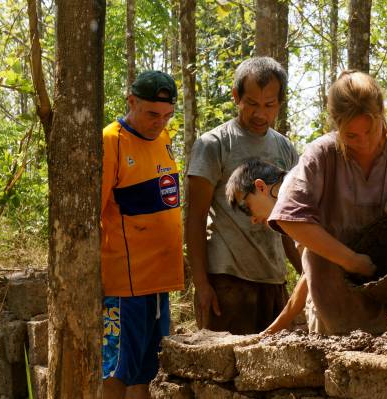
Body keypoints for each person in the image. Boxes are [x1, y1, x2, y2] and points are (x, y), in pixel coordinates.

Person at [230, 71, 387, 335]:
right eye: (351, 136)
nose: (364, 143)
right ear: (336, 124)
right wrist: (351, 260)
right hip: (338, 310)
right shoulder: (320, 156)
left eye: (370, 130)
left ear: (382, 115)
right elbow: (289, 219)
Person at [226, 160, 387, 334]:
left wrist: (272, 330)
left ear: (260, 187)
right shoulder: (305, 178)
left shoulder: (292, 200)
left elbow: (307, 281)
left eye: (246, 207)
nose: (253, 219)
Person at [186, 57, 300, 335]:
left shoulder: (285, 149)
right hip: (227, 282)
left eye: (269, 105)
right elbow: (194, 219)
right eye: (252, 103)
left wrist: (307, 272)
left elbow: (291, 221)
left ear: (279, 104)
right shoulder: (213, 145)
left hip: (273, 280)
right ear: (236, 96)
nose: (260, 114)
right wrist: (202, 285)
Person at [101, 71, 184, 399]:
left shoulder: (165, 139)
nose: (160, 122)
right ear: (131, 101)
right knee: (116, 368)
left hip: (159, 282)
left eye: (167, 115)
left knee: (148, 371)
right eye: (152, 114)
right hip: (125, 284)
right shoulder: (111, 141)